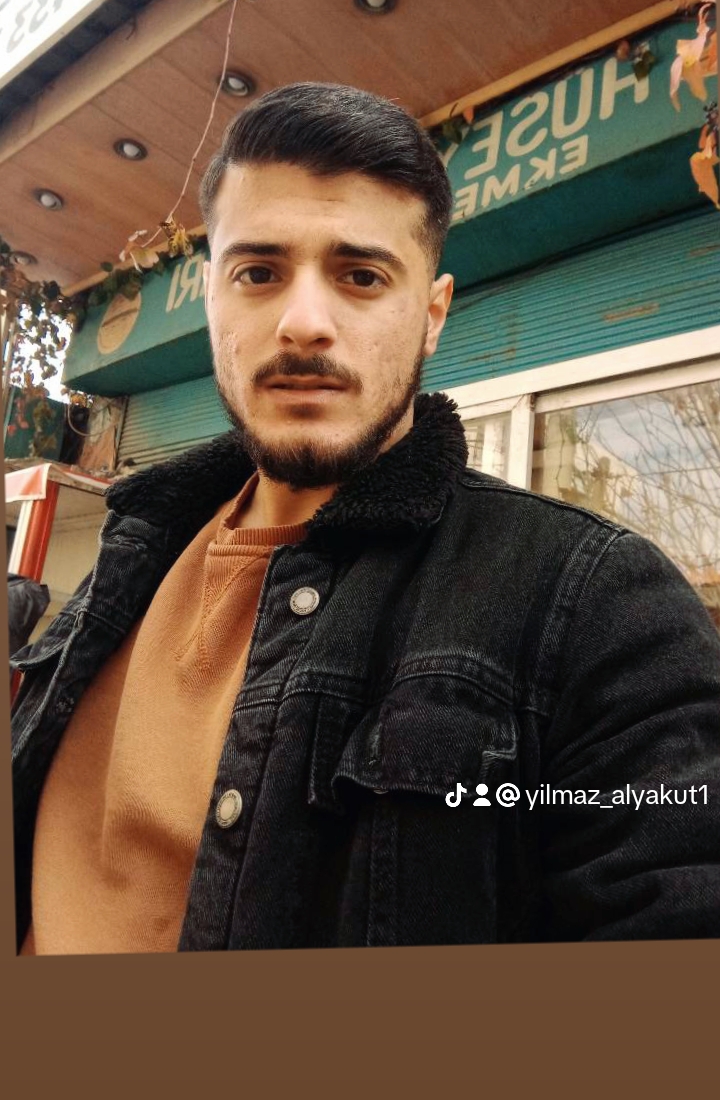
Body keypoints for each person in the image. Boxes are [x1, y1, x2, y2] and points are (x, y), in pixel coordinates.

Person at [10, 82, 720, 955]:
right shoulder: (131, 555)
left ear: (432, 315)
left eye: (361, 276)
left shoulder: (596, 606)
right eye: (258, 273)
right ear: (212, 299)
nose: (304, 324)